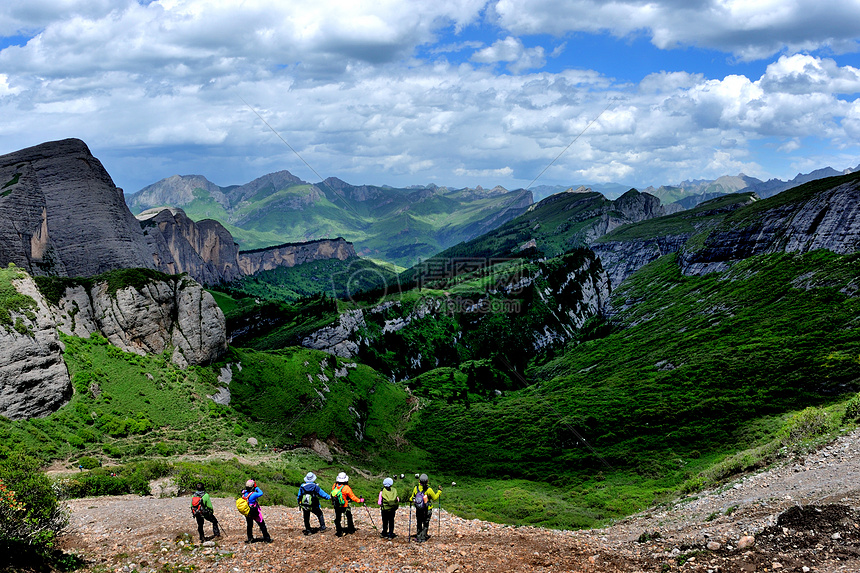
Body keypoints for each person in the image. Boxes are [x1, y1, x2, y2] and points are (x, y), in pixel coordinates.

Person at [409, 473, 441, 542]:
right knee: (425, 524)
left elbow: (411, 498)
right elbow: (435, 498)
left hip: (419, 509)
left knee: (419, 522)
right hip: (427, 509)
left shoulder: (416, 488)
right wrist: (439, 492)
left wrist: (412, 500)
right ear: (427, 481)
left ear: (419, 481)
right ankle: (423, 537)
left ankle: (418, 537)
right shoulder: (429, 490)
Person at [331, 472, 363, 537]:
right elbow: (352, 496)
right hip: (344, 505)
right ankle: (351, 529)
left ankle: (339, 531)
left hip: (336, 505)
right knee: (349, 516)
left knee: (338, 518)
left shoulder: (334, 485)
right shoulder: (346, 487)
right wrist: (359, 500)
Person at [240, 479, 272, 543]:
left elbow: (246, 491)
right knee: (262, 524)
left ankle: (250, 538)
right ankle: (267, 539)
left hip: (247, 512)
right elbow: (261, 493)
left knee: (249, 525)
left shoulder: (244, 493)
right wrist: (256, 487)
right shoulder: (253, 494)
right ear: (252, 487)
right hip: (254, 511)